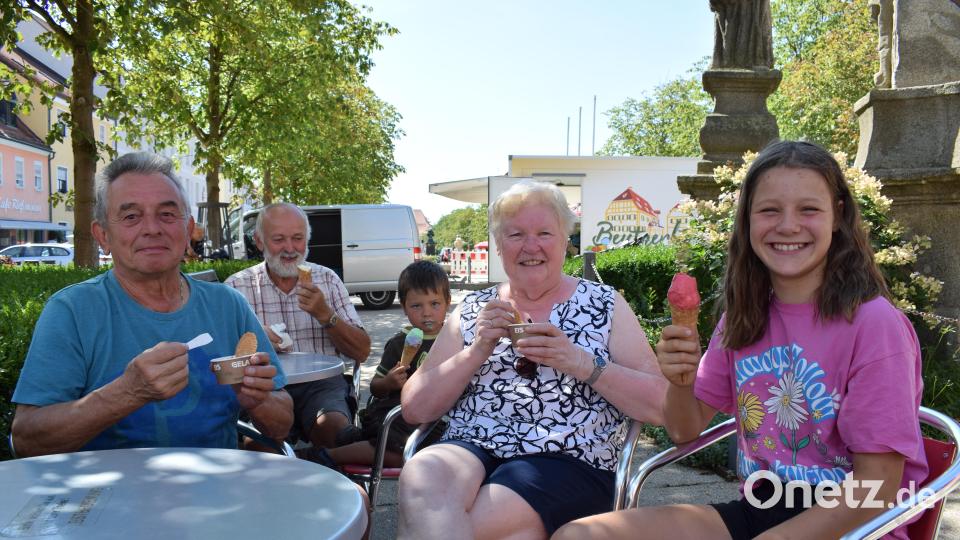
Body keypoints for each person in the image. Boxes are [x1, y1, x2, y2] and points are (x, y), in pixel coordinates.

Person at [553, 140, 928, 540]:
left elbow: (880, 487)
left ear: (836, 216)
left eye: (808, 209)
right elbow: (684, 430)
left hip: (852, 524)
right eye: (769, 210)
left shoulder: (874, 324)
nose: (787, 225)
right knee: (580, 536)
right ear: (747, 220)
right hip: (760, 510)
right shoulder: (744, 317)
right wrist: (679, 381)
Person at [396, 180, 668, 539]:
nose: (531, 246)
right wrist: (476, 350)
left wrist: (581, 363)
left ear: (564, 242)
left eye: (544, 233)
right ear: (498, 245)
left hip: (567, 456)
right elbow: (415, 409)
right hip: (471, 446)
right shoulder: (474, 309)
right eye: (515, 235)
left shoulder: (604, 304)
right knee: (421, 475)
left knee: (456, 526)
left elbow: (659, 404)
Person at [10, 152, 292, 456]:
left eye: (167, 214)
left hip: (216, 494)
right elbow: (27, 442)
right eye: (131, 216)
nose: (152, 228)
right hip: (106, 498)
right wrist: (127, 392)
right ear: (103, 235)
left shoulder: (228, 306)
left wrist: (258, 399)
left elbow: (281, 426)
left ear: (188, 231)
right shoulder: (73, 311)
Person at [225, 202, 372, 457]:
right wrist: (255, 342)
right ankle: (289, 479)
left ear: (307, 240)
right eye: (279, 239)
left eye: (297, 238)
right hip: (265, 386)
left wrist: (326, 315)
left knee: (334, 431)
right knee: (259, 446)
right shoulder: (237, 287)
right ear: (259, 242)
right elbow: (223, 363)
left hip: (322, 385)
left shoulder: (326, 279)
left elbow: (362, 351)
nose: (290, 248)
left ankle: (330, 485)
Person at [318, 260, 450, 468]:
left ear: (448, 302)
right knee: (401, 451)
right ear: (404, 307)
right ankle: (328, 457)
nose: (426, 313)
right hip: (398, 412)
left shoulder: (454, 338)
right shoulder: (399, 343)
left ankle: (351, 443)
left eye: (435, 303)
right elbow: (375, 388)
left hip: (436, 417)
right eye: (416, 305)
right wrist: (389, 382)